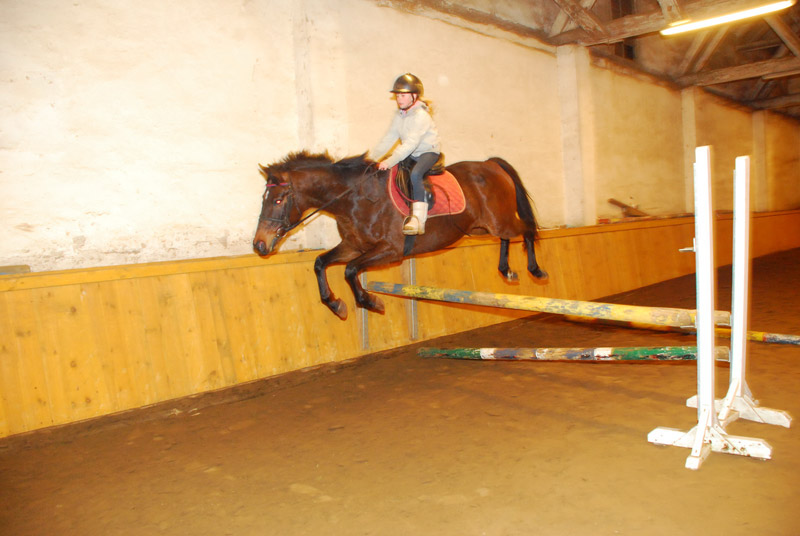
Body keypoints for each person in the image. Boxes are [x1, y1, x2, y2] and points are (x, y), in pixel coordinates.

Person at [371, 73, 441, 235]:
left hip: (427, 152)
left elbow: (410, 144)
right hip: (411, 153)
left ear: (414, 96)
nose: (399, 99)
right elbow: (389, 138)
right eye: (397, 96)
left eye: (403, 95)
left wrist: (389, 161)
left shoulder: (421, 116)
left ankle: (418, 219)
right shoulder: (399, 115)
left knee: (416, 174)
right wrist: (372, 158)